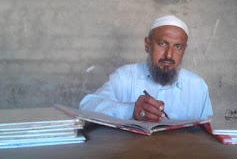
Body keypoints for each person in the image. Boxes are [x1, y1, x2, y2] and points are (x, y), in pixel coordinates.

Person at [80, 15, 213, 121]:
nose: (169, 54)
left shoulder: (197, 86)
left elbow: (207, 131)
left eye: (177, 47)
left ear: (184, 50)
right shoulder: (124, 77)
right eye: (162, 44)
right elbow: (86, 106)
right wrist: (130, 110)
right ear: (147, 45)